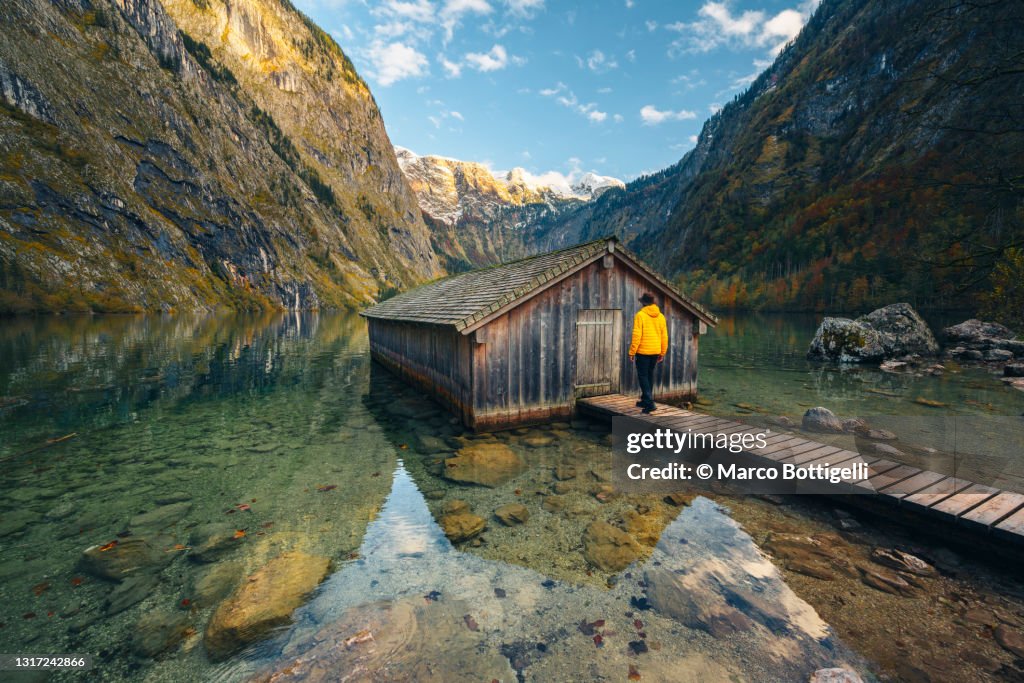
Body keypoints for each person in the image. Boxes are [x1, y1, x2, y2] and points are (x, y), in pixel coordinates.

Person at [628, 292, 668, 414]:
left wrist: (632, 351)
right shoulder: (661, 316)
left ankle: (650, 403)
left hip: (643, 351)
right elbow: (664, 336)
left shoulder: (640, 315)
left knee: (643, 376)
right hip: (655, 351)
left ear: (643, 303)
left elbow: (637, 335)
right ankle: (646, 400)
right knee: (649, 375)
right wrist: (662, 352)